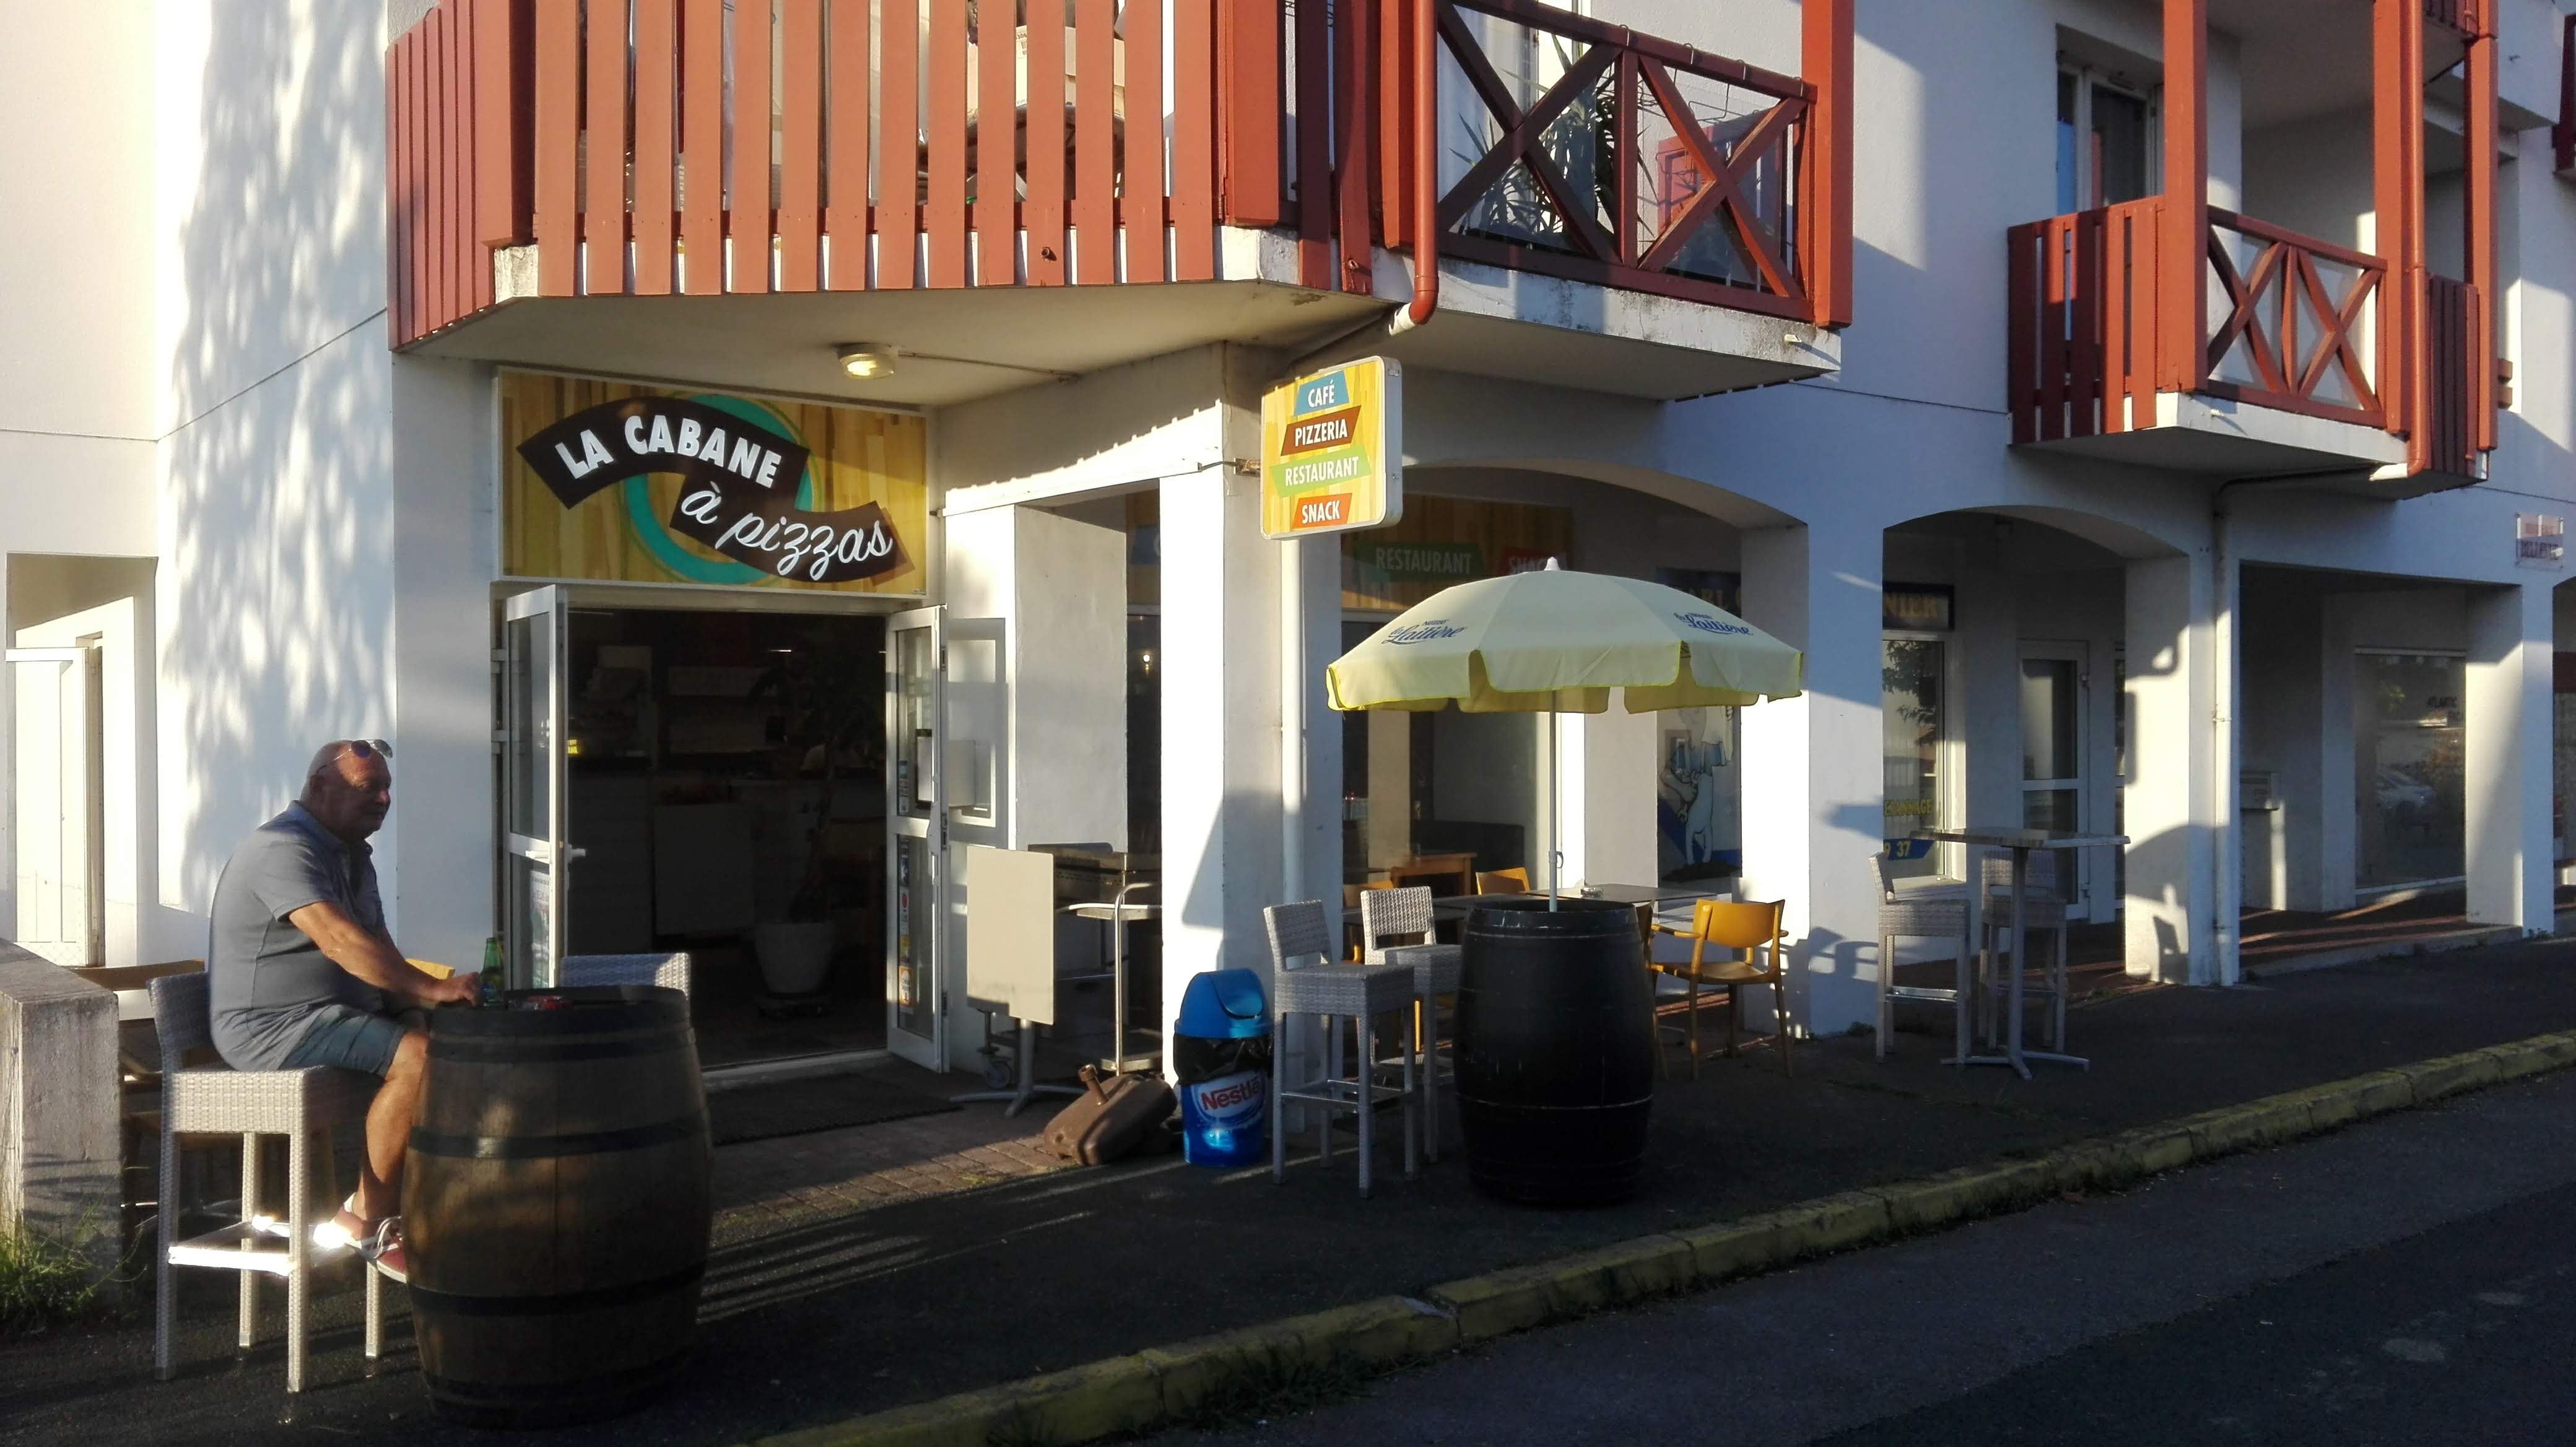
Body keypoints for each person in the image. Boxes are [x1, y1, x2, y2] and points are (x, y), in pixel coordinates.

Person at [207, 738, 477, 1282]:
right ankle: (368, 1220)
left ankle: (431, 1206)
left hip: (330, 1016)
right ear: (319, 787)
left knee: (461, 1049)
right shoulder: (282, 848)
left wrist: (412, 1013)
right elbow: (340, 942)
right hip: (274, 1027)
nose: (383, 799)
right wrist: (434, 990)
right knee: (420, 1059)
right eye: (367, 788)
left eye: (387, 789)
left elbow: (379, 943)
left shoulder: (353, 853)